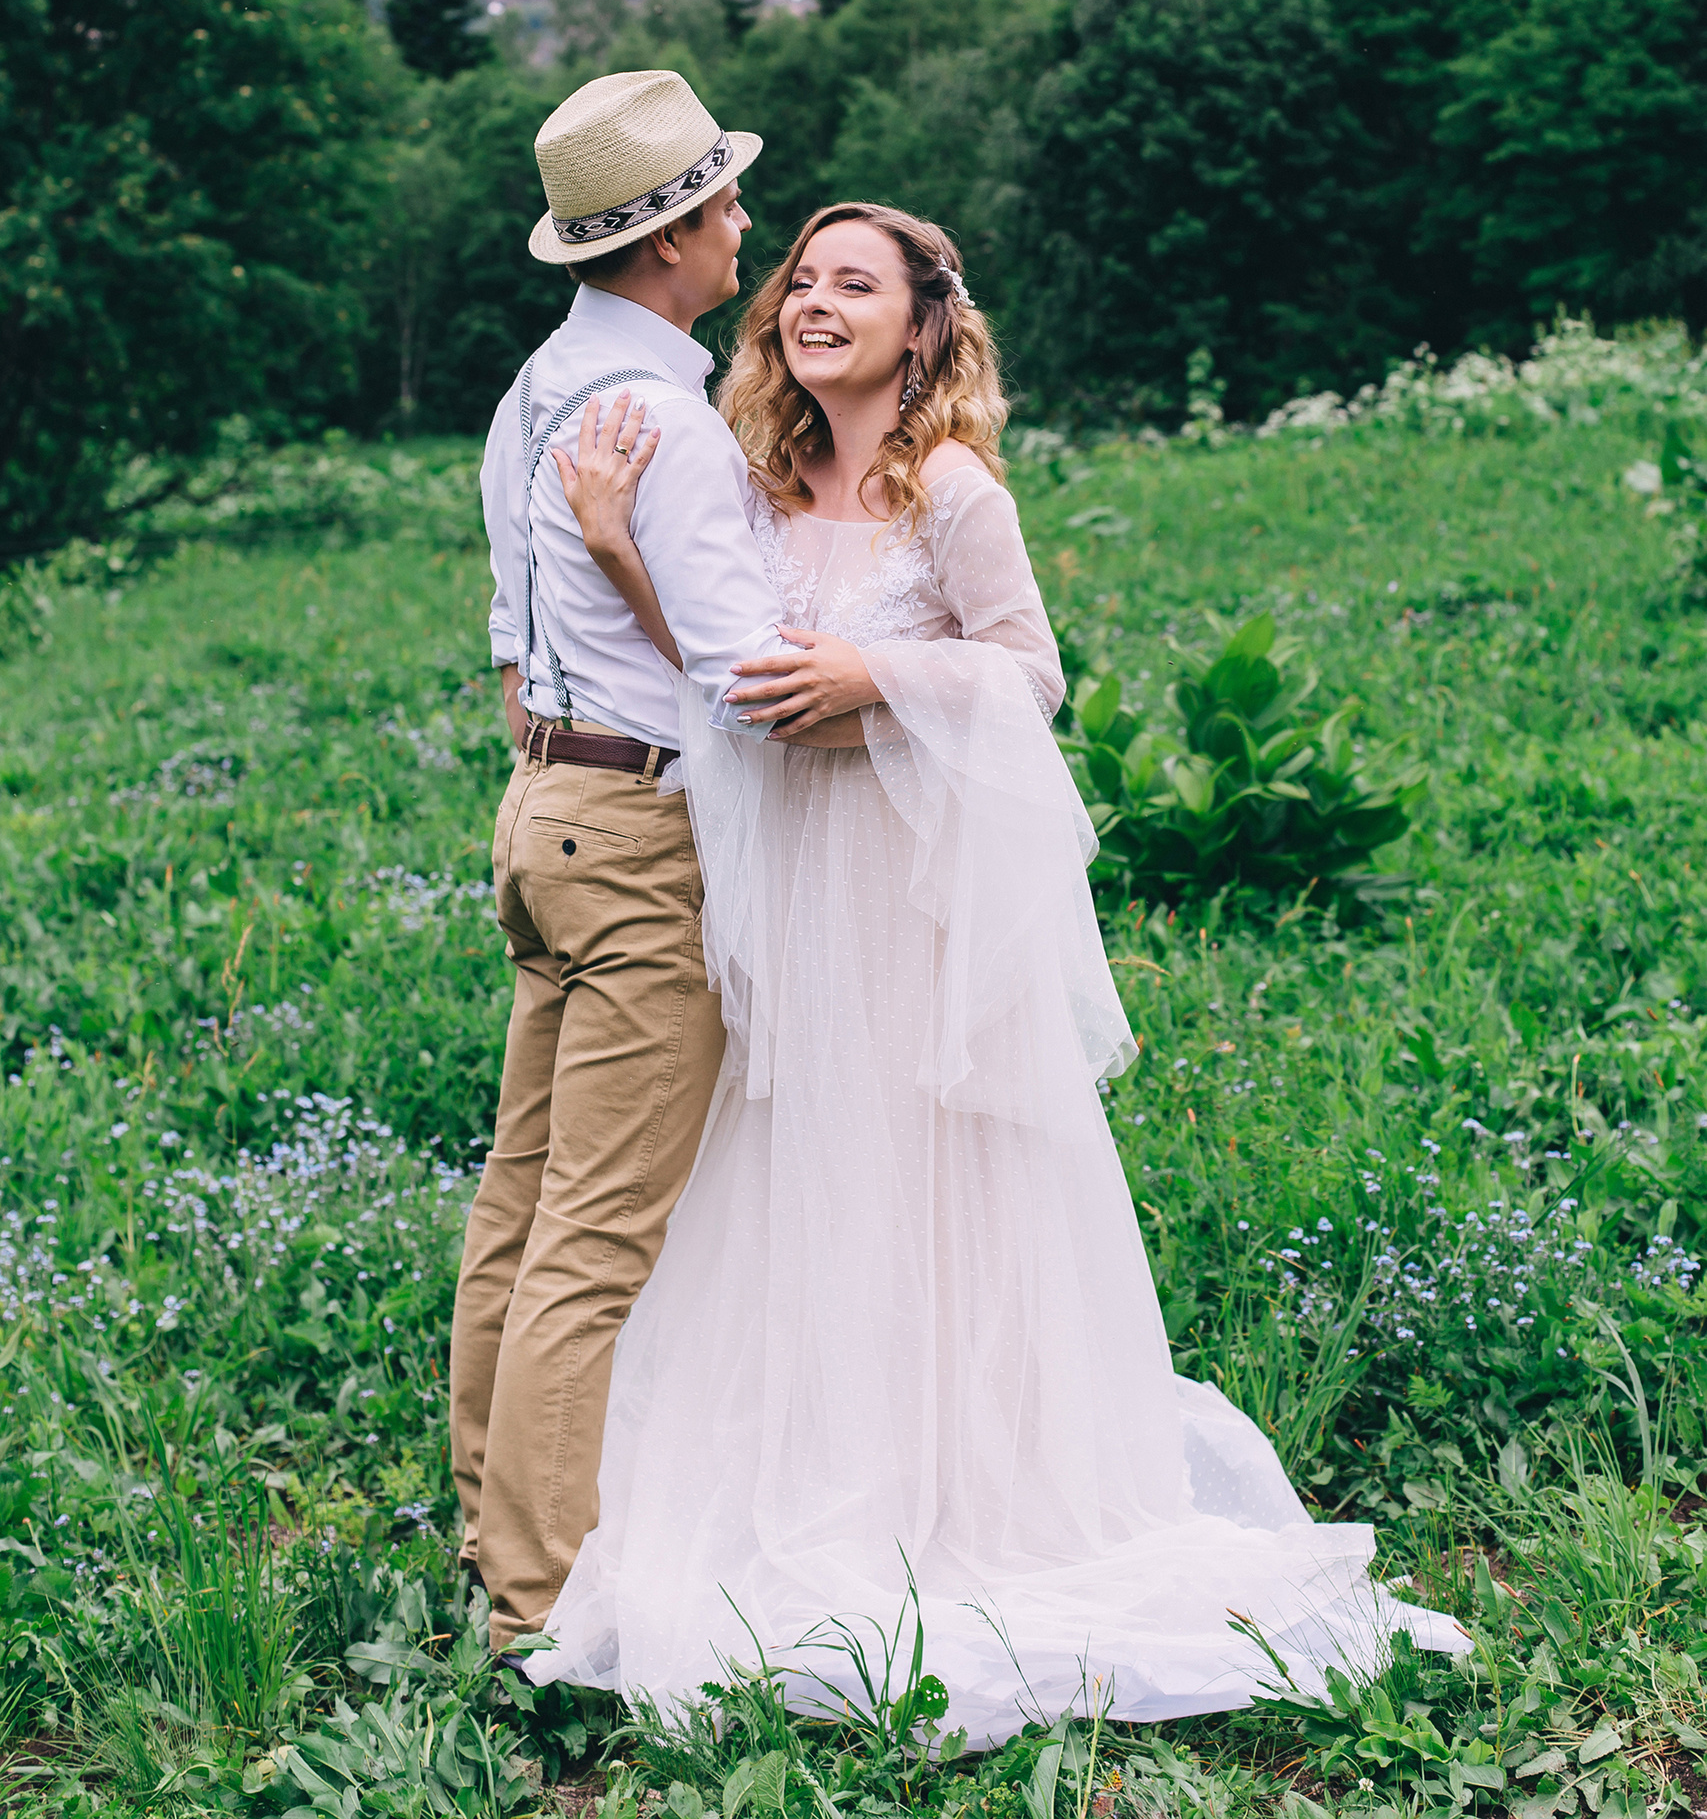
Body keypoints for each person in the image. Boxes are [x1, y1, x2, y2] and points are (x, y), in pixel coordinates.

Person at [520, 200, 1465, 1741]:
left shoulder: (948, 486)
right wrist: (623, 546)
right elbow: (724, 668)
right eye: (802, 280)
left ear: (922, 325)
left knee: (920, 1177)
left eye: (856, 284)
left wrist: (880, 672)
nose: (816, 300)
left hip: (904, 895)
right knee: (798, 1174)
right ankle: (816, 1467)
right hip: (792, 895)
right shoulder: (753, 490)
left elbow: (1029, 671)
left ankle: (959, 1485)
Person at [451, 68, 789, 1656]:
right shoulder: (666, 422)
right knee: (595, 1232)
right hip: (640, 831)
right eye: (722, 204)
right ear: (664, 244)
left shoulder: (538, 391)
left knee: (521, 1201)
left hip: (539, 808)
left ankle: (488, 1527)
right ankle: (542, 1604)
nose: (743, 227)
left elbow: (513, 649)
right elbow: (745, 685)